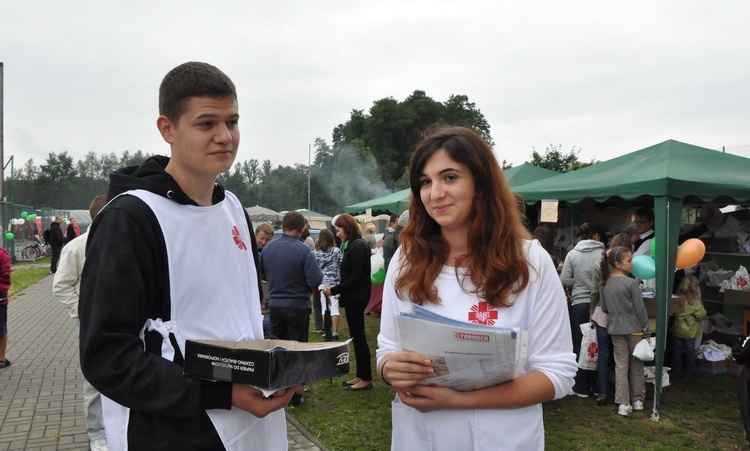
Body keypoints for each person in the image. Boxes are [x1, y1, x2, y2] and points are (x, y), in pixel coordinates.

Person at [78, 61, 298, 450]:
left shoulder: (233, 207)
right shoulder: (130, 219)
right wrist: (222, 393)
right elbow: (107, 357)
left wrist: (277, 364)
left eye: (232, 121)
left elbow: (241, 312)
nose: (225, 136)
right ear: (167, 129)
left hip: (253, 422)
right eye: (206, 123)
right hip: (172, 432)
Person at [376, 126, 576, 449]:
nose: (435, 193)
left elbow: (558, 372)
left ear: (481, 184)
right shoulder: (405, 259)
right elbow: (386, 349)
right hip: (420, 438)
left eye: (450, 177)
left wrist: (457, 400)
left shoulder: (530, 263)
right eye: (425, 182)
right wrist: (389, 370)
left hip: (504, 439)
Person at [53, 195, 108, 451]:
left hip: (123, 321)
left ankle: (123, 424)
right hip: (90, 324)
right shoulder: (76, 247)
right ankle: (97, 433)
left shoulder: (120, 241)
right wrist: (83, 313)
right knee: (94, 379)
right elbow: (61, 285)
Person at [260, 211, 323, 404]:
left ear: (282, 227)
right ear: (303, 228)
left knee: (276, 347)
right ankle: (295, 395)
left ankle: (275, 388)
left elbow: (262, 273)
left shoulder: (268, 248)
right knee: (296, 351)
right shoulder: (304, 250)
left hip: (276, 304)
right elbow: (315, 279)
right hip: (297, 305)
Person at [322, 213, 373, 392]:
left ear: (347, 228)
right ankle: (360, 375)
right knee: (356, 337)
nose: (337, 234)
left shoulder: (357, 246)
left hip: (356, 298)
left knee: (359, 338)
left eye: (338, 229)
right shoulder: (352, 245)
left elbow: (357, 276)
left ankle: (366, 378)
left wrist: (335, 290)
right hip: (353, 297)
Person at [599, 245, 650, 416]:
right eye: (629, 260)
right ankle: (637, 400)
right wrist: (647, 331)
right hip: (634, 328)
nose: (633, 263)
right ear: (619, 264)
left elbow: (604, 308)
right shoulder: (631, 283)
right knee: (637, 365)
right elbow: (640, 309)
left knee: (621, 365)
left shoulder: (604, 284)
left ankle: (622, 403)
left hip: (615, 328)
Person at [561, 223, 606, 398]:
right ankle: (597, 384)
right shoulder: (604, 254)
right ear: (596, 236)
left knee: (580, 344)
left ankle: (580, 386)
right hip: (600, 304)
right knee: (599, 345)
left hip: (579, 303)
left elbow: (564, 279)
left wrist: (579, 284)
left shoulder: (573, 254)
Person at [589, 232, 633, 406]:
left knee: (603, 354)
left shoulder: (599, 265)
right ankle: (622, 393)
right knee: (621, 355)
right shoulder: (628, 268)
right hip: (620, 315)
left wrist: (591, 312)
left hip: (601, 314)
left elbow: (594, 291)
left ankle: (602, 392)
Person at [670, 275, 706, 375]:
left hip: (677, 328)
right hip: (690, 330)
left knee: (677, 349)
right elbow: (701, 315)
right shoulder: (695, 302)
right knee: (690, 350)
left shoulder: (677, 298)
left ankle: (676, 368)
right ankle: (691, 369)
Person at [314, 228, 343, 341]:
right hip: (335, 282)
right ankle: (335, 332)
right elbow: (342, 264)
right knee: (335, 307)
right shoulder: (337, 251)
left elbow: (315, 268)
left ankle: (327, 331)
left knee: (324, 307)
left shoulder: (316, 253)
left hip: (323, 282)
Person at [0, 246, 11, 370]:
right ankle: (1, 358)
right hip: (0, 299)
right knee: (2, 330)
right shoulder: (3, 254)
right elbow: (5, 276)